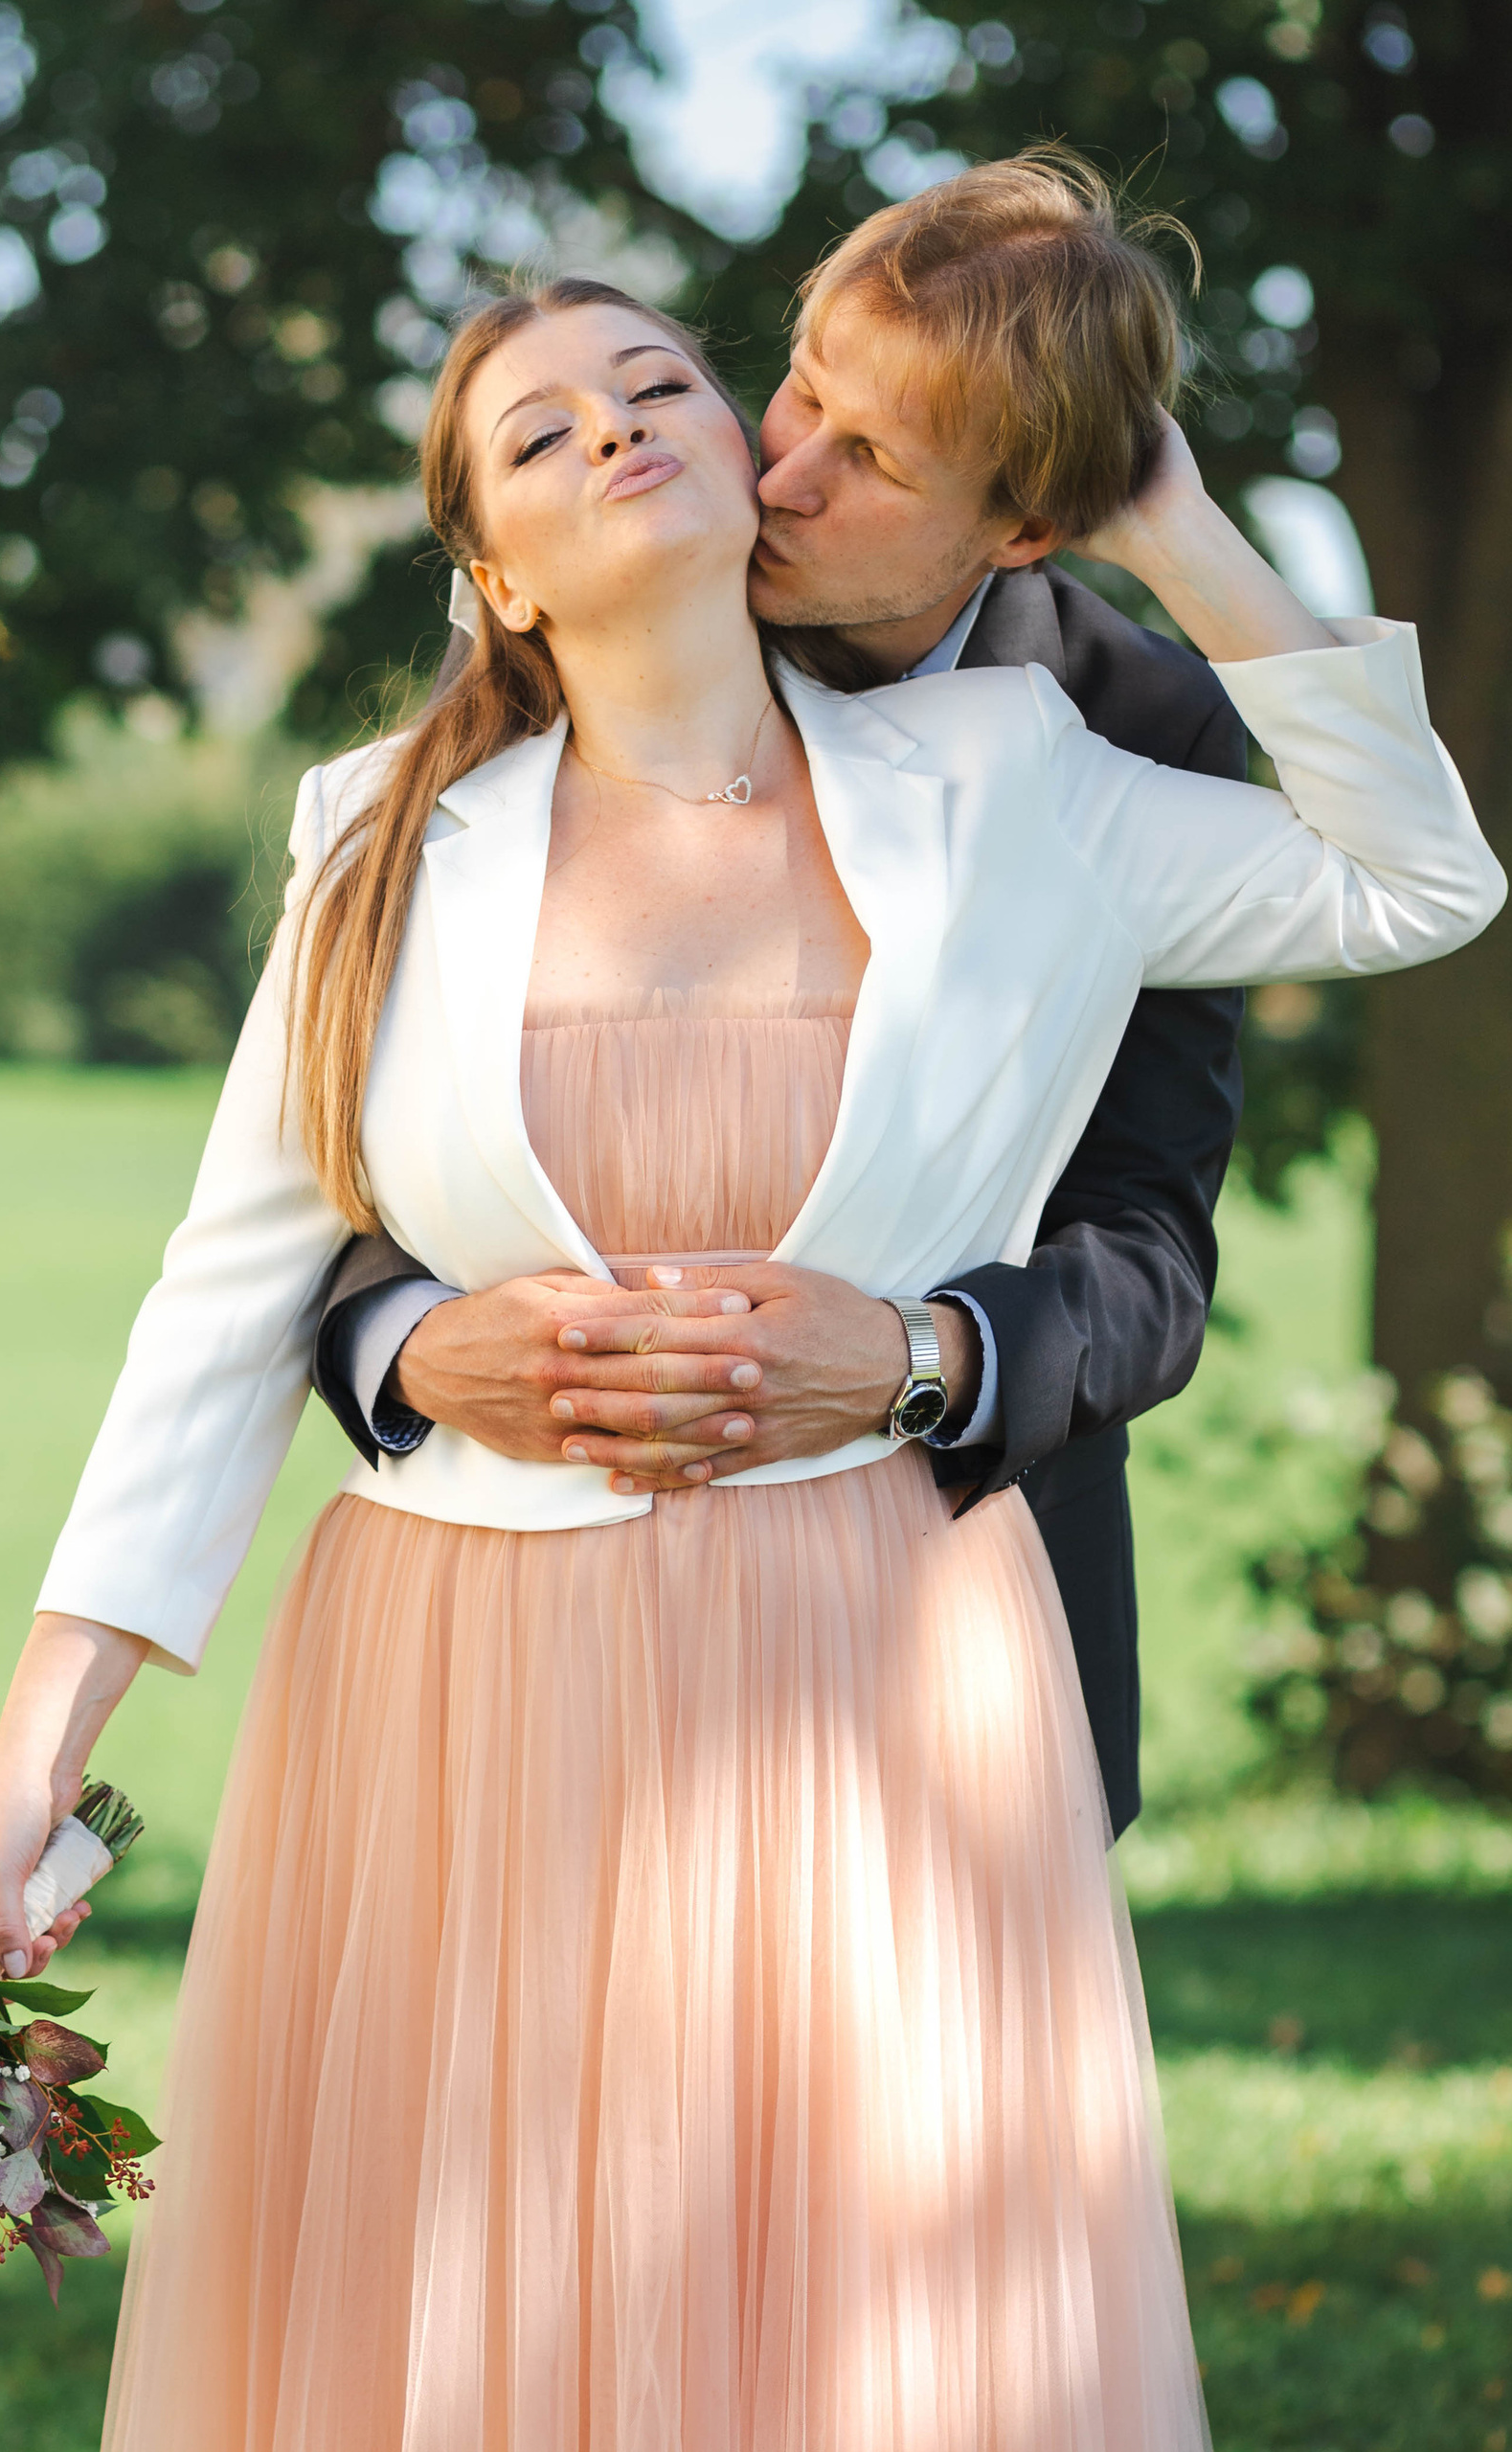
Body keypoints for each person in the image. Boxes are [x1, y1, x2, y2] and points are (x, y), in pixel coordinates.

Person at [0, 162, 1503, 2448]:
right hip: (462, 1676)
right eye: (547, 432)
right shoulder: (380, 830)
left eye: (649, 378)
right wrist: (39, 1725)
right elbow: (232, 1284)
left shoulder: (1027, 779)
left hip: (878, 1653)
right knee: (480, 2309)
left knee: (854, 2319)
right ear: (492, 568)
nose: (665, 434)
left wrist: (1169, 513)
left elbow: (1415, 881)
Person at [313, 166, 1255, 1843]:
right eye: (800, 392)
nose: (786, 473)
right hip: (558, 1589)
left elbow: (1146, 1239)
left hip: (961, 1604)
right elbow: (363, 1132)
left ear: (1023, 526)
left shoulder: (1136, 728)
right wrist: (417, 1340)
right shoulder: (626, 598)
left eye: (876, 458)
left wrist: (923, 1360)